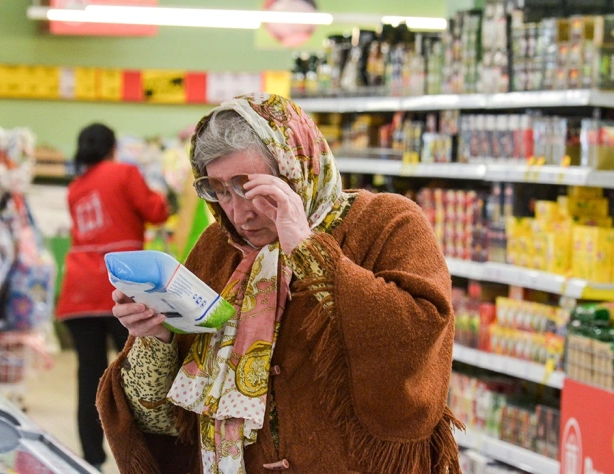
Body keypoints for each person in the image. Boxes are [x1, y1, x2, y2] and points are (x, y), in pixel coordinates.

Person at [96, 94, 463, 474]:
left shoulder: (387, 222)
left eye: (251, 188)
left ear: (295, 169)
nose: (239, 213)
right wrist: (158, 337)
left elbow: (420, 332)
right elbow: (161, 418)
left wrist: (307, 248)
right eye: (220, 190)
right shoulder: (218, 247)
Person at [56, 123, 170, 471]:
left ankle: (91, 459)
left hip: (78, 290)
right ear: (113, 147)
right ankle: (139, 457)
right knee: (137, 374)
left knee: (89, 376)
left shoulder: (75, 187)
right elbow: (157, 212)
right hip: (122, 289)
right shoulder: (125, 173)